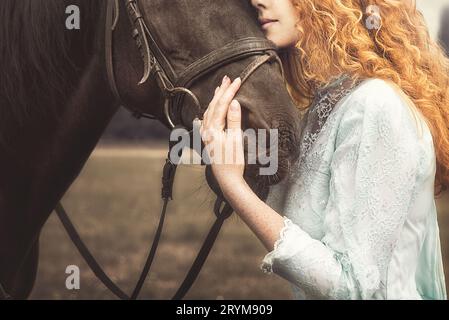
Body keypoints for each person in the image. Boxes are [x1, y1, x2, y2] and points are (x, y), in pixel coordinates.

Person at [198, 0, 449, 299]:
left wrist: (233, 185)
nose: (256, 1)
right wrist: (227, 148)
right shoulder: (326, 104)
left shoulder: (375, 105)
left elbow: (355, 289)